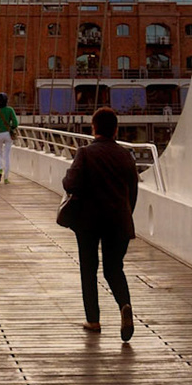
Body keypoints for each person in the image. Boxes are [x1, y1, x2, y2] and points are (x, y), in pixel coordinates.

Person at [61, 106, 138, 341]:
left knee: (89, 268)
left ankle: (93, 320)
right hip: (119, 220)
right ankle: (124, 304)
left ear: (93, 128)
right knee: (114, 268)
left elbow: (70, 184)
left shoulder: (85, 153)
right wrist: (125, 214)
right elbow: (132, 192)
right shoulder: (126, 155)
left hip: (88, 220)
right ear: (115, 130)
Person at [0, 92, 18, 183]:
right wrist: (11, 128)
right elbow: (16, 123)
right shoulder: (10, 110)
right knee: (7, 155)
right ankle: (6, 178)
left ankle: (0, 169)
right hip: (8, 134)